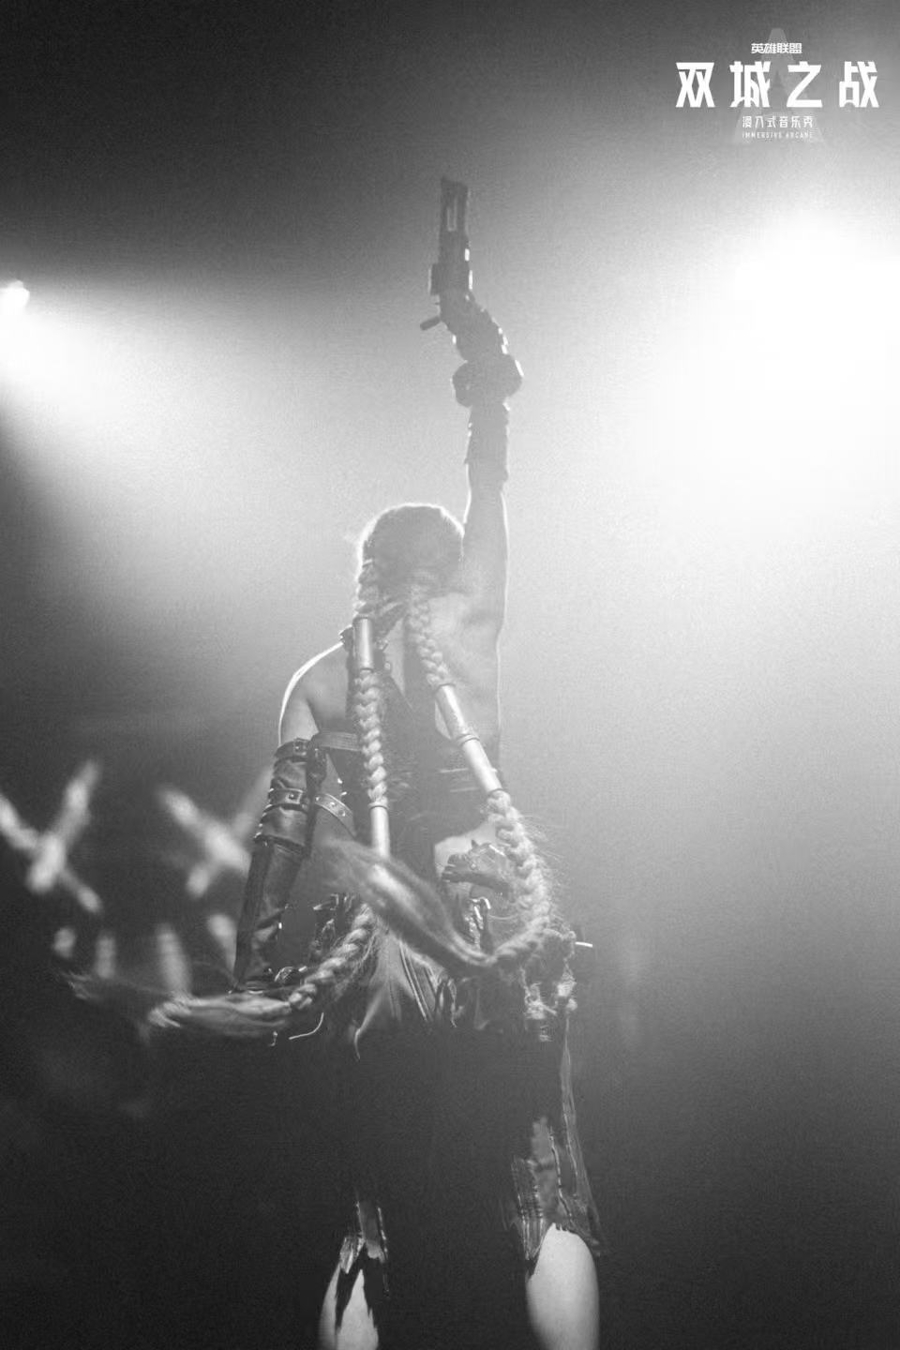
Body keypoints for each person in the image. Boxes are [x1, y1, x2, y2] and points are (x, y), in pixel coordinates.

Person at [230, 294, 603, 1350]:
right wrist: (486, 381)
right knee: (540, 1169)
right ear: (444, 568)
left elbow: (281, 838)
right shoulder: (475, 620)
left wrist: (256, 975)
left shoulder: (316, 682)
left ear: (366, 576)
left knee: (369, 1206)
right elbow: (492, 486)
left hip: (380, 954)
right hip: (492, 928)